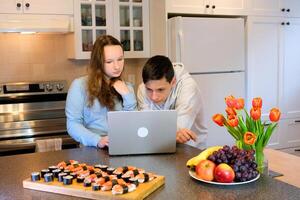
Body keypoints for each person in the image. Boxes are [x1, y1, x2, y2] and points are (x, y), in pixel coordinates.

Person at [66, 35, 136, 149]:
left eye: (120, 59)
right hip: (91, 149)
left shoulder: (127, 88)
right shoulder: (79, 86)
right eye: (109, 61)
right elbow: (73, 124)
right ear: (98, 63)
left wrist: (127, 96)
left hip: (122, 148)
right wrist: (98, 140)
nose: (117, 66)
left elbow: (133, 125)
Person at [137, 55, 207, 149]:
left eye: (160, 90)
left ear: (173, 82)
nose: (154, 97)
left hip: (191, 148)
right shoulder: (142, 89)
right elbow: (145, 125)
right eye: (149, 89)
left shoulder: (189, 87)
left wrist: (158, 132)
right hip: (157, 147)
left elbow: (180, 129)